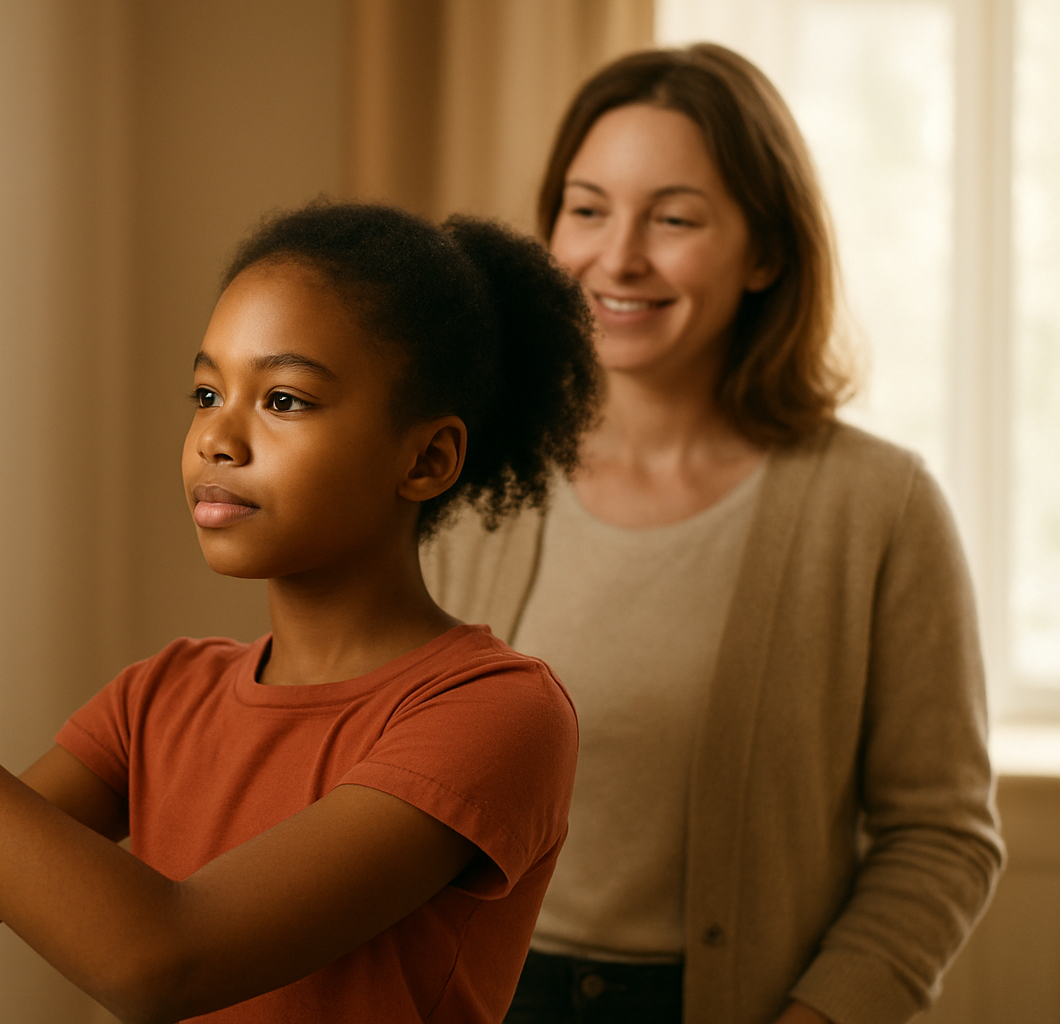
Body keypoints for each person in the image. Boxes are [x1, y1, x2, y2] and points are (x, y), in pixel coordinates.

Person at [0, 201, 601, 1024]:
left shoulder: (497, 713)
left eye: (283, 400)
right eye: (207, 392)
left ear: (429, 460)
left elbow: (162, 960)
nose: (216, 436)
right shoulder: (160, 698)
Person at [422, 44, 1004, 1024]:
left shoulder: (880, 508)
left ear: (767, 252)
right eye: (588, 207)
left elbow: (941, 835)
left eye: (676, 217)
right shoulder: (463, 475)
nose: (619, 256)